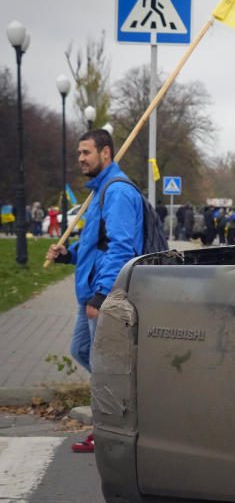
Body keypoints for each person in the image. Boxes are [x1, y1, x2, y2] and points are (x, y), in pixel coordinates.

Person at [45, 129, 144, 453]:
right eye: (78, 153)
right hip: (89, 293)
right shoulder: (101, 191)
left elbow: (121, 247)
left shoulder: (116, 192)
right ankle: (122, 412)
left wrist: (102, 296)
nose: (80, 159)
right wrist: (68, 254)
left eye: (86, 152)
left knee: (104, 366)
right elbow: (95, 245)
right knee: (83, 352)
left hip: (102, 296)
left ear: (105, 153)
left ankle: (111, 429)